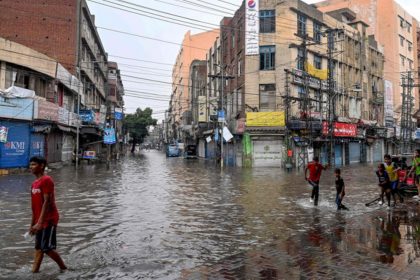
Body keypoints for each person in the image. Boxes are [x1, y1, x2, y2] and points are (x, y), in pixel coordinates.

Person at [29, 156, 67, 273]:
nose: (31, 167)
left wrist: (40, 222)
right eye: (30, 165)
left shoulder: (47, 180)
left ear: (41, 166)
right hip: (39, 220)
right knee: (38, 247)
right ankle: (35, 271)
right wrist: (32, 224)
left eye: (34, 164)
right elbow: (34, 207)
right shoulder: (34, 184)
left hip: (49, 219)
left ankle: (63, 268)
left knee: (46, 247)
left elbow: (47, 201)